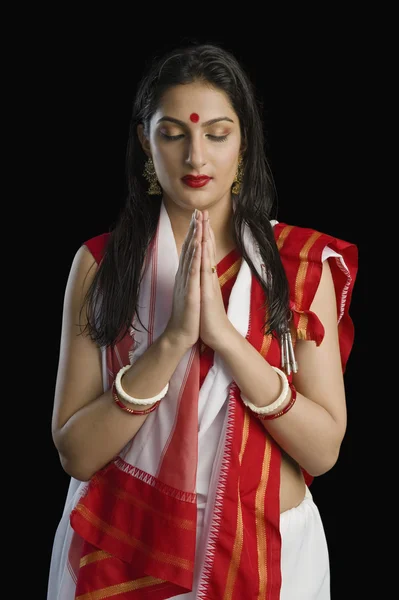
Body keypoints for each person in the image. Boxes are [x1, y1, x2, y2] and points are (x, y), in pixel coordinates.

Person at [47, 42, 358, 600]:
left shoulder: (301, 265)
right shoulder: (102, 265)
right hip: (124, 551)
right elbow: (76, 452)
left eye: (217, 134)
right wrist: (170, 344)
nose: (196, 156)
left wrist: (228, 343)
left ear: (244, 143)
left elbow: (323, 451)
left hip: (271, 559)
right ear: (146, 139)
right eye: (174, 133)